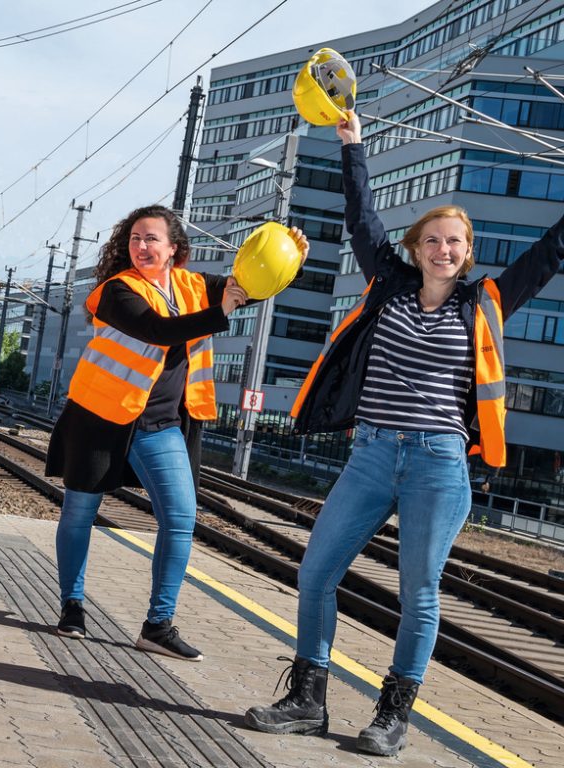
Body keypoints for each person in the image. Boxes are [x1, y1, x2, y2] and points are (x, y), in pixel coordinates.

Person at [245, 111, 564, 756]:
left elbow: (550, 251)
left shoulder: (486, 302)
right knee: (316, 572)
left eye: (456, 242)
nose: (444, 250)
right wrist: (352, 146)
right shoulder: (387, 285)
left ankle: (392, 716)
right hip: (370, 454)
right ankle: (308, 700)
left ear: (467, 253)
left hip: (438, 463)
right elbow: (362, 217)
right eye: (433, 240)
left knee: (418, 591)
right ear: (416, 248)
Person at [45, 204, 308, 661]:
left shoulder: (193, 286)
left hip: (160, 424)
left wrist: (289, 260)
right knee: (79, 512)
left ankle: (158, 625)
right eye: (135, 238)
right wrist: (222, 310)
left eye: (151, 239)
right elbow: (157, 330)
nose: (141, 246)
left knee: (181, 518)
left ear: (174, 249)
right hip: (101, 417)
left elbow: (249, 287)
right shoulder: (116, 290)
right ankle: (72, 605)